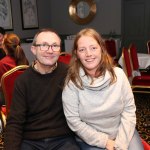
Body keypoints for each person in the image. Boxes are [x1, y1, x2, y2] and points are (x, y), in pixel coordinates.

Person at [62, 28, 144, 150]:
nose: (88, 54)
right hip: (90, 138)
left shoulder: (119, 75)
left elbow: (129, 110)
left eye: (93, 48)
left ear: (102, 49)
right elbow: (74, 121)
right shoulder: (72, 82)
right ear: (77, 54)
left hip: (123, 132)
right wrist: (105, 142)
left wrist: (121, 143)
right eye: (82, 50)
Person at [4, 28, 80, 150]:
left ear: (60, 50)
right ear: (33, 49)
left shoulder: (69, 74)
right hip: (31, 140)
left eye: (55, 46)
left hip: (62, 139)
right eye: (44, 45)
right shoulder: (23, 81)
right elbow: (15, 122)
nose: (50, 51)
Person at [0, 33, 29, 106]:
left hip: (9, 99)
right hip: (25, 97)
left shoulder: (2, 63)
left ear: (4, 47)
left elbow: (2, 87)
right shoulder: (24, 60)